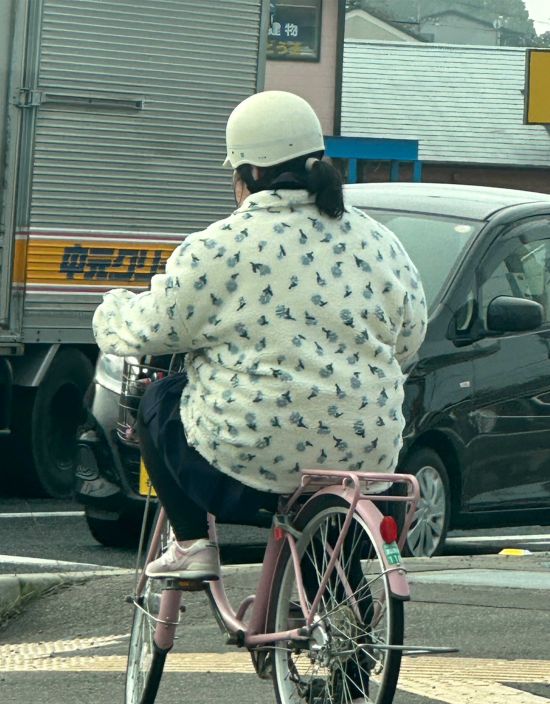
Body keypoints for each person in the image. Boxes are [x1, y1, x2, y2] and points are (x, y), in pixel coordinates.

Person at [93, 90, 427, 583]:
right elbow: (409, 340)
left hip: (248, 465)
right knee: (321, 519)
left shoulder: (220, 245)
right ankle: (346, 641)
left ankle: (191, 544)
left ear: (246, 173)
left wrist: (110, 309)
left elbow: (150, 329)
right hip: (366, 460)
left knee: (159, 398)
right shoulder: (380, 241)